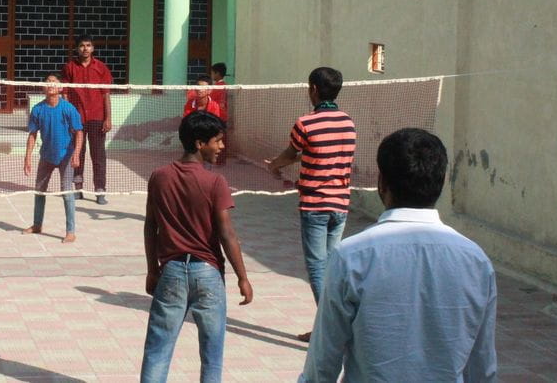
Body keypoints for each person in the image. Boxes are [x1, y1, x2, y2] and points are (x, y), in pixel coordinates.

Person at [300, 128, 497, 382]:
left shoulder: (352, 256)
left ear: (382, 183)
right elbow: (482, 367)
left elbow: (322, 363)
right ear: (442, 181)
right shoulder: (476, 261)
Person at [140, 111, 253, 383]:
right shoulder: (215, 182)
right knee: (212, 355)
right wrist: (243, 277)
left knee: (157, 350)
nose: (221, 147)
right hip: (208, 274)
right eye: (217, 141)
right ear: (200, 144)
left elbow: (150, 227)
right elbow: (227, 234)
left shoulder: (159, 177)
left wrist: (152, 270)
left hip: (170, 271)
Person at [265, 67, 355, 343]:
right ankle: (329, 326)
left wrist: (274, 166)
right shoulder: (348, 123)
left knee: (317, 268)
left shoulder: (305, 123)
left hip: (315, 205)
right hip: (340, 205)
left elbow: (291, 153)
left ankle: (331, 329)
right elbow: (316, 153)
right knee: (331, 267)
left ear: (313, 89)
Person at [22, 73, 83, 244]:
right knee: (39, 191)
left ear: (60, 88)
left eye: (54, 82)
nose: (50, 84)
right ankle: (37, 225)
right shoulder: (37, 109)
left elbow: (79, 132)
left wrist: (76, 153)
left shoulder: (68, 108)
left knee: (67, 193)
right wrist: (27, 158)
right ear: (43, 87)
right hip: (46, 156)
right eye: (47, 81)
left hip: (66, 156)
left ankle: (70, 231)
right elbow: (33, 134)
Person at [62, 34, 112, 204]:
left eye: (88, 45)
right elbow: (65, 93)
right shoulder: (69, 67)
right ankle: (78, 189)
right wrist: (68, 117)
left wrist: (108, 118)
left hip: (97, 118)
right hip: (77, 119)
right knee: (78, 153)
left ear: (93, 48)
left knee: (98, 156)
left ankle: (100, 191)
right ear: (77, 48)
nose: (85, 48)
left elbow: (106, 95)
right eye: (82, 45)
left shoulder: (101, 67)